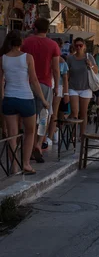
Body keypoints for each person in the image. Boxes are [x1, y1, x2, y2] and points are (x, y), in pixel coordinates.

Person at [0, 30, 49, 174]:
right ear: (21, 42)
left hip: (9, 99)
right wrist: (43, 99)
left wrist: (2, 96)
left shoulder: (2, 58)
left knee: (12, 135)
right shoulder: (27, 57)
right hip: (26, 99)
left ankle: (14, 167)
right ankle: (26, 164)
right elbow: (34, 80)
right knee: (30, 132)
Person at [22, 18, 60, 162]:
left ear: (35, 28)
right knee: (43, 116)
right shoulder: (53, 45)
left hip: (28, 83)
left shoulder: (26, 42)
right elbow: (55, 69)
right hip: (45, 84)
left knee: (28, 117)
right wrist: (57, 86)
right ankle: (38, 143)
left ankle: (29, 147)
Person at [67, 38, 98, 138]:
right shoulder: (70, 58)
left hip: (86, 88)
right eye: (77, 45)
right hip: (73, 87)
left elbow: (96, 71)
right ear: (74, 46)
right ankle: (73, 133)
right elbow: (67, 74)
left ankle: (82, 134)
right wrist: (65, 90)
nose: (79, 47)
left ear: (84, 46)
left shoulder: (89, 57)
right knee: (74, 111)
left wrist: (91, 65)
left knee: (83, 112)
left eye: (81, 45)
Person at [46, 39, 69, 145]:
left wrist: (66, 93)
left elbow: (65, 79)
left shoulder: (62, 62)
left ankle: (50, 136)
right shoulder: (47, 58)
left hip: (58, 86)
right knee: (45, 113)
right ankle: (51, 132)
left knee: (53, 113)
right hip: (47, 85)